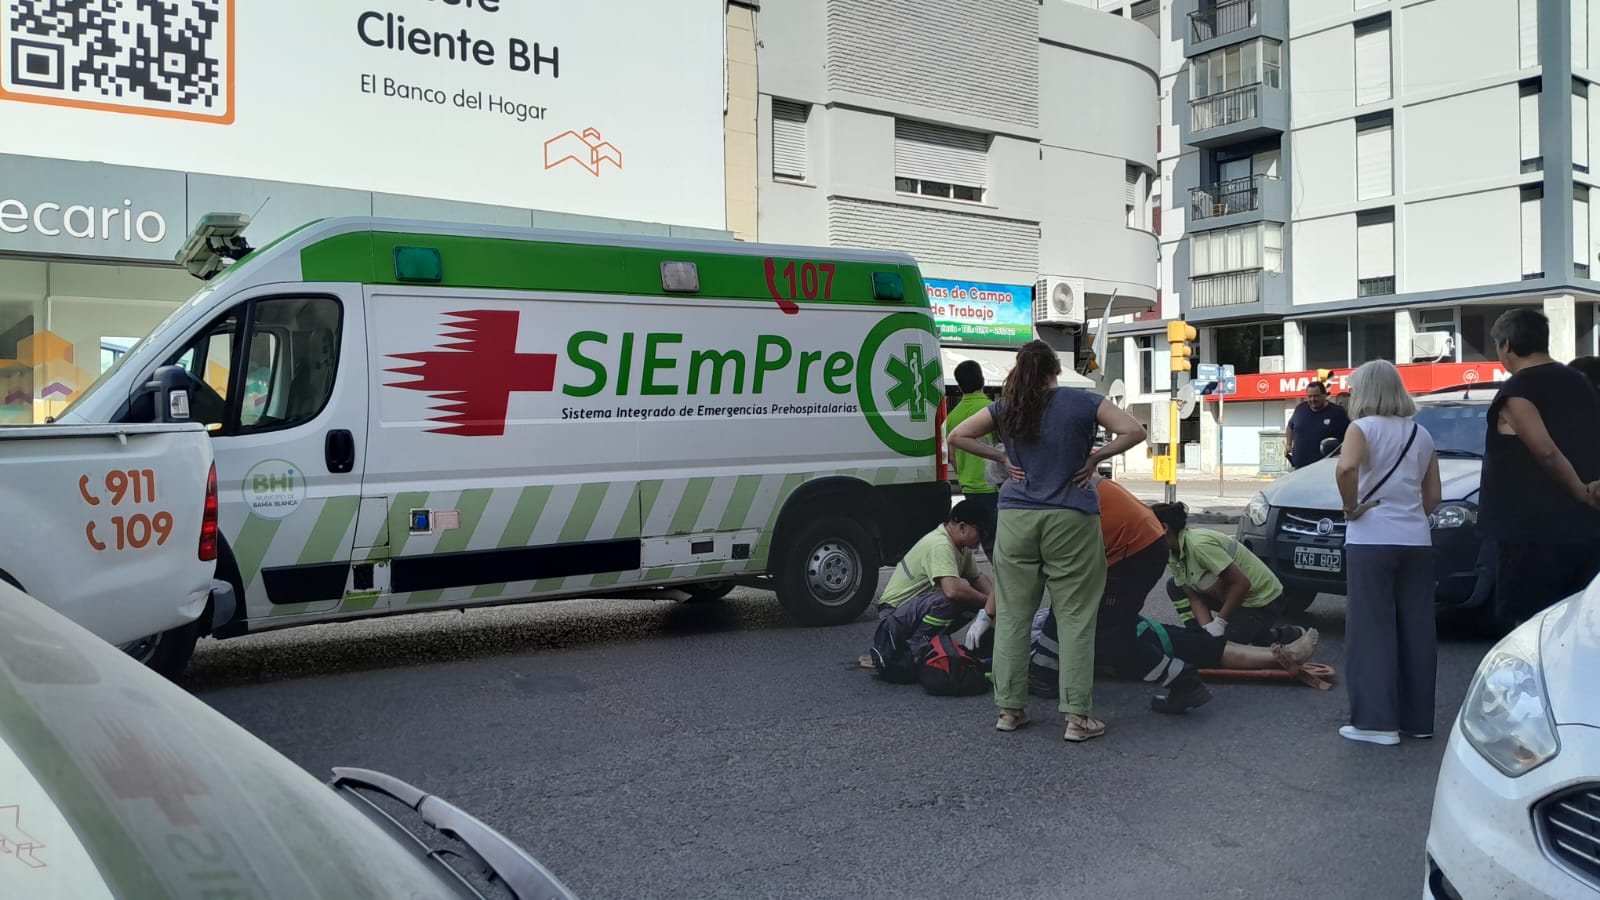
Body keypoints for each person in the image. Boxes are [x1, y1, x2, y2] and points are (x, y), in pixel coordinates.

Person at [948, 340, 1146, 742]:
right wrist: (1093, 459)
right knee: (1075, 617)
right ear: (1055, 368)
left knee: (1014, 615)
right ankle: (1076, 718)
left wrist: (1002, 458)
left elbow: (957, 436)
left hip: (1016, 518)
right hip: (1071, 517)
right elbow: (1133, 430)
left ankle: (1009, 710)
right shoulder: (1081, 402)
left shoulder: (1007, 406)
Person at [1015, 476, 1323, 715]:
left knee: (1160, 640)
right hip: (1136, 628)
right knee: (1196, 644)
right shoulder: (1055, 488)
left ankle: (1207, 671)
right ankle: (1279, 652)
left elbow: (1049, 583)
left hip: (1144, 605)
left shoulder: (1048, 500)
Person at [1334, 360, 1443, 746]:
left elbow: (1346, 469)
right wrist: (1409, 517)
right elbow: (1433, 497)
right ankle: (1417, 721)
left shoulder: (1360, 428)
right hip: (1416, 540)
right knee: (1416, 630)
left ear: (1365, 391)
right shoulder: (1422, 433)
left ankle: (1376, 724)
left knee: (1371, 629)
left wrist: (1352, 508)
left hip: (1370, 538)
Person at [1479, 310, 1600, 626]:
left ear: (1506, 345)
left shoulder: (1519, 390)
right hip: (1584, 531)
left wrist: (1580, 492)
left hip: (1531, 533)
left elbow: (1545, 451)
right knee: (1574, 625)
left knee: (1528, 626)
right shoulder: (1580, 381)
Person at [866, 500, 996, 673]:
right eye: (981, 533)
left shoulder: (961, 547)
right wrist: (988, 603)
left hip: (910, 611)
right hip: (893, 617)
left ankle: (935, 643)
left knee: (972, 601)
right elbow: (952, 591)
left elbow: (977, 578)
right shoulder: (940, 544)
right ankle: (916, 649)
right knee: (955, 598)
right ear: (963, 527)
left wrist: (996, 604)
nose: (982, 539)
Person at [1153, 502, 1296, 647]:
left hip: (1261, 600)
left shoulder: (1199, 546)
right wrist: (1208, 631)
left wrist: (1220, 622)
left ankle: (1282, 635)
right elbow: (1194, 598)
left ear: (1164, 528)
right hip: (1234, 595)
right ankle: (1200, 635)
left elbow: (1242, 583)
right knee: (1175, 587)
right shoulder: (1172, 554)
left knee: (1227, 651)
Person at [944, 360, 999, 561]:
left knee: (984, 541)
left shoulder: (952, 417)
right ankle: (1004, 588)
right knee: (1000, 546)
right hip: (993, 489)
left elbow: (951, 456)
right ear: (983, 380)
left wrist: (964, 474)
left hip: (968, 488)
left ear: (959, 387)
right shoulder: (991, 410)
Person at [1285, 381, 1351, 469]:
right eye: (1310, 396)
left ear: (1324, 395)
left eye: (1316, 396)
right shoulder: (1300, 409)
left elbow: (1349, 435)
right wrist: (1288, 444)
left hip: (1324, 469)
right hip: (1298, 467)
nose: (1312, 399)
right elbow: (1290, 427)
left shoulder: (1337, 412)